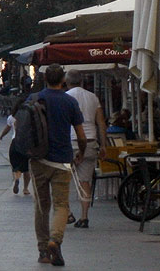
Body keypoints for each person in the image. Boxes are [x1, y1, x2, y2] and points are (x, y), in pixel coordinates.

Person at [28, 64, 86, 267]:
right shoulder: (69, 102)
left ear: (45, 80)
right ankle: (55, 239)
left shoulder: (34, 99)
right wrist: (81, 153)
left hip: (38, 160)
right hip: (62, 160)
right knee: (61, 204)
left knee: (41, 206)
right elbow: (81, 135)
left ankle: (43, 250)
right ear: (63, 80)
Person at [65, 69, 107, 229]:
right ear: (82, 81)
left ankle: (68, 213)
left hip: (71, 142)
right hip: (90, 142)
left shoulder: (66, 97)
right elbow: (101, 123)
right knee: (85, 181)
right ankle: (84, 217)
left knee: (65, 180)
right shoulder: (93, 97)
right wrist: (103, 145)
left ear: (67, 82)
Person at [0, 101, 31, 196]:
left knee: (16, 165)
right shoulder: (29, 117)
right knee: (26, 168)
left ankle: (17, 178)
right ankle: (25, 189)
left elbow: (7, 129)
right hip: (25, 143)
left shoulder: (11, 118)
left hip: (15, 143)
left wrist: (1, 136)